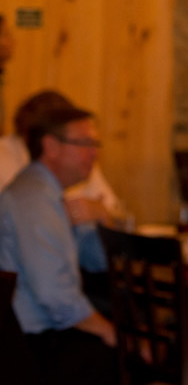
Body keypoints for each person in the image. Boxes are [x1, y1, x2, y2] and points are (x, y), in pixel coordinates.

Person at [0, 103, 117, 383]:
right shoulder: (34, 200)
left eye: (95, 144)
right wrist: (108, 331)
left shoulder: (48, 193)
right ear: (51, 147)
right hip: (27, 345)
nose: (94, 153)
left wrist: (102, 217)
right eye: (85, 143)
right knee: (118, 351)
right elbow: (54, 295)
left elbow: (98, 262)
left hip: (40, 331)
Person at [0, 90, 123, 224]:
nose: (94, 153)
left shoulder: (81, 159)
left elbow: (116, 213)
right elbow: (28, 212)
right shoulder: (5, 157)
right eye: (84, 142)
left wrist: (100, 211)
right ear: (50, 144)